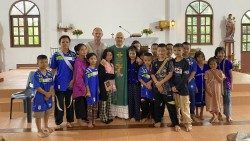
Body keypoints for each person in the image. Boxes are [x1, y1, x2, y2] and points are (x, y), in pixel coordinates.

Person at [151, 43, 179, 131]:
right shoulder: (154, 62)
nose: (161, 52)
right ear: (157, 52)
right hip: (157, 87)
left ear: (166, 51)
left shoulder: (169, 61)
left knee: (171, 106)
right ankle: (158, 120)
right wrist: (157, 83)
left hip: (167, 88)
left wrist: (161, 83)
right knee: (157, 105)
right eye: (159, 51)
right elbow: (152, 74)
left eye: (163, 51)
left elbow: (170, 74)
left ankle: (175, 123)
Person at [50, 35, 76, 129]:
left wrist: (73, 81)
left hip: (70, 83)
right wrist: (50, 83)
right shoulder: (56, 55)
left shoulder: (73, 55)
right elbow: (52, 70)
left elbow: (76, 70)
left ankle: (69, 121)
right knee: (59, 104)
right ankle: (59, 121)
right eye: (63, 42)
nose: (65, 43)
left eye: (67, 42)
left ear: (69, 43)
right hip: (59, 83)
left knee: (69, 103)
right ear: (60, 43)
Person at [171, 43, 192, 132]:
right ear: (173, 51)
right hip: (174, 89)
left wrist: (177, 87)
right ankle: (177, 122)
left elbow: (185, 77)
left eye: (179, 50)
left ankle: (187, 123)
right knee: (176, 107)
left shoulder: (185, 62)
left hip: (182, 89)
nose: (177, 52)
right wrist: (172, 86)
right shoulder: (172, 62)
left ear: (183, 51)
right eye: (175, 50)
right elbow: (170, 75)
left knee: (184, 107)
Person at [107, 32, 129, 119]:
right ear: (115, 39)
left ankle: (122, 113)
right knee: (113, 91)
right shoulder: (110, 49)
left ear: (124, 39)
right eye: (118, 37)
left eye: (121, 37)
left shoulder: (127, 49)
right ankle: (113, 112)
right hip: (113, 76)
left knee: (123, 91)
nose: (119, 39)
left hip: (124, 76)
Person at [33, 55, 54, 138]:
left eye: (45, 62)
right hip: (39, 98)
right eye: (41, 62)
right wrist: (45, 93)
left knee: (47, 112)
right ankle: (39, 130)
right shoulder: (36, 74)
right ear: (37, 63)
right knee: (39, 114)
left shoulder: (49, 73)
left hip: (48, 97)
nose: (44, 64)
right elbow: (37, 87)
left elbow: (52, 85)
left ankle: (45, 126)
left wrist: (49, 94)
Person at [215, 47, 233, 123]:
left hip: (226, 83)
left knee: (227, 99)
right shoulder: (214, 62)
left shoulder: (228, 62)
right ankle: (219, 114)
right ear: (216, 54)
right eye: (219, 53)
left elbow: (231, 75)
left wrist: (232, 84)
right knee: (217, 100)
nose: (221, 54)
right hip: (216, 83)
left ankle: (228, 115)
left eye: (222, 53)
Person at [98, 49, 116, 124]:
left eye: (111, 55)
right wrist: (113, 76)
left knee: (109, 101)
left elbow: (110, 75)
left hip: (110, 84)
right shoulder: (102, 63)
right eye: (108, 54)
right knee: (104, 101)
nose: (109, 56)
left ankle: (108, 116)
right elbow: (102, 75)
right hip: (103, 85)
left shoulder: (112, 64)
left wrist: (112, 78)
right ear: (104, 55)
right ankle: (103, 117)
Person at [72, 43, 88, 126]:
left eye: (85, 49)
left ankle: (83, 118)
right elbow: (78, 78)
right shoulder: (78, 62)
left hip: (84, 87)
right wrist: (84, 89)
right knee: (79, 104)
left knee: (83, 104)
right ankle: (79, 120)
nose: (84, 51)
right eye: (82, 49)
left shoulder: (85, 60)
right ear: (78, 52)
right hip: (79, 88)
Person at [205, 57, 224, 123]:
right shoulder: (207, 72)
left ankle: (218, 114)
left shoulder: (220, 72)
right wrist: (207, 90)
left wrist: (214, 73)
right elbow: (206, 82)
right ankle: (214, 115)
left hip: (217, 91)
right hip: (209, 91)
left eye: (214, 64)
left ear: (217, 64)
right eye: (210, 64)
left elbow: (221, 81)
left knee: (217, 102)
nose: (212, 66)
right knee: (209, 103)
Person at [182, 42, 198, 122]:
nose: (185, 50)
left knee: (191, 98)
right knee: (182, 99)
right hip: (181, 82)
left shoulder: (192, 60)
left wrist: (189, 79)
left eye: (187, 48)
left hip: (190, 81)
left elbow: (194, 71)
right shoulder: (178, 59)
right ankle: (183, 114)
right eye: (184, 48)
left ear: (189, 49)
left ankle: (192, 114)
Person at [138, 52, 154, 123]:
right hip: (143, 89)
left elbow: (155, 77)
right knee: (144, 104)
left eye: (149, 60)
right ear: (143, 60)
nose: (147, 62)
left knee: (153, 103)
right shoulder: (141, 68)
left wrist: (150, 83)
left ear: (151, 60)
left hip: (152, 88)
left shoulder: (154, 68)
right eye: (145, 60)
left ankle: (153, 116)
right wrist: (145, 84)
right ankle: (144, 116)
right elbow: (139, 78)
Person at [85, 53, 99, 128]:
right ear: (88, 60)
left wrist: (98, 89)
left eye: (94, 58)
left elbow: (97, 80)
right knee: (89, 108)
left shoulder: (96, 69)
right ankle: (90, 121)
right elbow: (86, 82)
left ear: (96, 59)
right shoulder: (87, 70)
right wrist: (88, 91)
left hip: (96, 91)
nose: (93, 60)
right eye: (91, 59)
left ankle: (94, 120)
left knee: (95, 107)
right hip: (90, 92)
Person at [194, 51, 209, 120]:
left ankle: (201, 113)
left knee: (203, 100)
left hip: (205, 86)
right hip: (197, 85)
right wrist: (195, 86)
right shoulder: (195, 66)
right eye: (198, 57)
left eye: (201, 57)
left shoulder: (207, 66)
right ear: (196, 58)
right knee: (196, 99)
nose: (200, 58)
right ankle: (196, 112)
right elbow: (192, 77)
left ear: (203, 57)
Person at [127, 46, 141, 122]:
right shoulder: (127, 62)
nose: (132, 55)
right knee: (130, 99)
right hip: (129, 83)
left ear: (136, 53)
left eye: (133, 53)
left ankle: (137, 116)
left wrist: (140, 62)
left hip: (136, 84)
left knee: (136, 100)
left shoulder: (138, 62)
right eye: (130, 53)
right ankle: (131, 115)